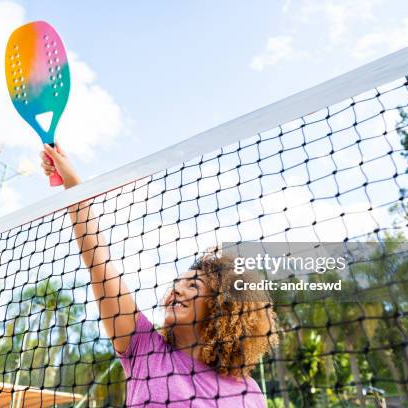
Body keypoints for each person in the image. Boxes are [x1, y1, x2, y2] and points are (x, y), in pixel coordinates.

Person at [41, 144, 279, 407]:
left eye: (193, 285)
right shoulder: (144, 348)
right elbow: (99, 262)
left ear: (221, 305)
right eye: (177, 283)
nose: (177, 289)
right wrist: (74, 185)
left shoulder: (248, 391)